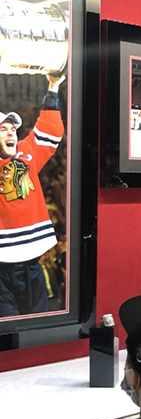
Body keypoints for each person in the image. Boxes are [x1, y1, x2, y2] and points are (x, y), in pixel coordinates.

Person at [0, 73, 65, 317]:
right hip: (1, 268)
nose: (11, 134)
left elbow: (49, 130)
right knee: (8, 332)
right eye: (3, 129)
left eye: (13, 129)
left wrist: (53, 88)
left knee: (37, 324)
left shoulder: (27, 153)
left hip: (33, 264)